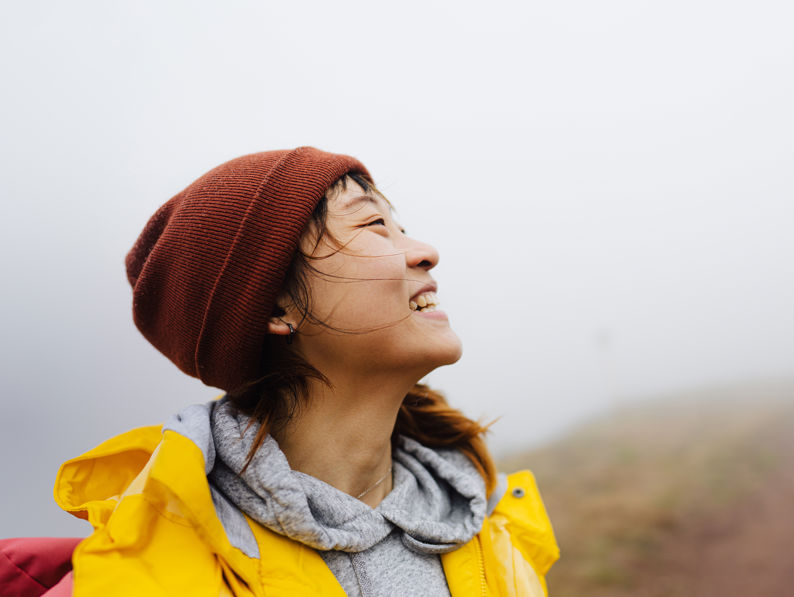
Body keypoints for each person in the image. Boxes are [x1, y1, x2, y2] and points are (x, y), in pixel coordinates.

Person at [47, 147, 559, 596]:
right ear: (275, 308)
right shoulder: (149, 575)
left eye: (400, 226)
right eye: (373, 225)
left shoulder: (493, 526)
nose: (426, 252)